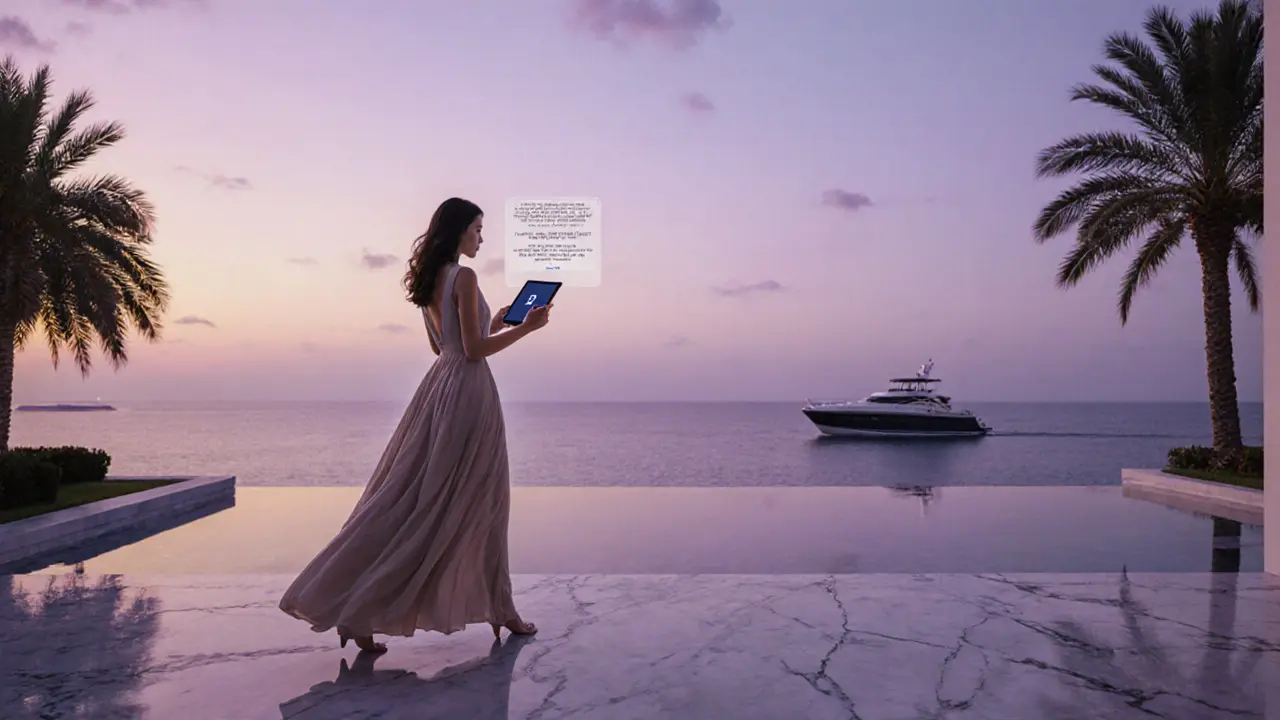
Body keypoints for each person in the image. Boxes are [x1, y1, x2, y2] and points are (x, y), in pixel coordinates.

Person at [278, 197, 549, 653]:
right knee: (485, 502)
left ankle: (358, 610)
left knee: (409, 502)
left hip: (439, 390)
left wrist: (496, 319)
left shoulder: (430, 281)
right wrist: (528, 327)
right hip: (469, 393)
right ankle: (503, 610)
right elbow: (475, 351)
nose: (482, 238)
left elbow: (444, 345)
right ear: (460, 230)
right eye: (478, 229)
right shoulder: (464, 275)